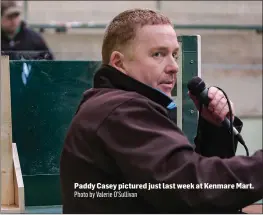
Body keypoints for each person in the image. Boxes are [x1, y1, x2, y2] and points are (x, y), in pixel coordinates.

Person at [60, 9, 263, 213]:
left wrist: (214, 128)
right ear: (119, 63)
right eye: (158, 54)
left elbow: (185, 189)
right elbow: (190, 187)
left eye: (174, 54)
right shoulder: (123, 110)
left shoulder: (118, 106)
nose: (174, 66)